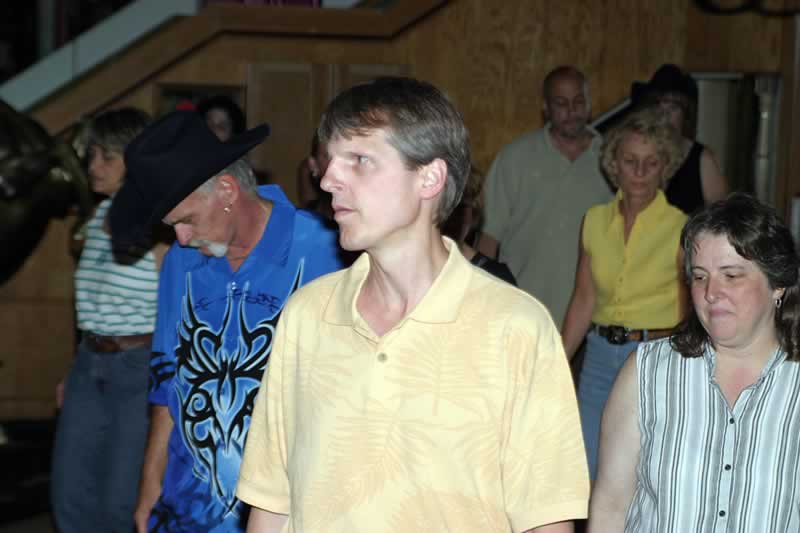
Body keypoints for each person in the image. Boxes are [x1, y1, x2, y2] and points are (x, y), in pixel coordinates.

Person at [236, 76, 588, 533]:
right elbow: (271, 500)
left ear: (429, 178)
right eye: (331, 161)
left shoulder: (515, 326)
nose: (329, 179)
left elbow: (546, 519)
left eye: (359, 160)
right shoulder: (307, 315)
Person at [107, 111, 344, 532]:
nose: (180, 239)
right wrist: (150, 486)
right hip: (186, 511)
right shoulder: (181, 263)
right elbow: (167, 383)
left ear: (227, 190)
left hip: (289, 510)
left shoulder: (329, 252)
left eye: (186, 220)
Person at [589, 193, 800, 532]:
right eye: (700, 277)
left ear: (778, 285)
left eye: (731, 275)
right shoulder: (647, 373)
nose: (711, 292)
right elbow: (611, 505)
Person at [51, 107, 168, 533]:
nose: (93, 166)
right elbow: (91, 303)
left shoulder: (160, 226)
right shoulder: (98, 216)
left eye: (107, 157)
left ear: (135, 161)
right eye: (92, 155)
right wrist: (73, 368)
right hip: (89, 362)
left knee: (119, 501)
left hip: (138, 366)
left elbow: (176, 311)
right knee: (69, 495)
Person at [561, 108, 688, 480]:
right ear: (613, 164)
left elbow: (689, 310)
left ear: (665, 167)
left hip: (655, 357)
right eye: (631, 161)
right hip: (599, 356)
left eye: (651, 163)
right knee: (588, 466)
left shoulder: (682, 227)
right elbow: (583, 298)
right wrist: (557, 360)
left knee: (645, 471)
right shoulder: (594, 220)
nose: (640, 171)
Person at [477, 65, 612, 325]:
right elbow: (488, 239)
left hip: (594, 320)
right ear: (545, 108)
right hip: (523, 312)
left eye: (578, 101)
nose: (571, 111)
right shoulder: (515, 158)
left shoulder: (613, 159)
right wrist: (483, 304)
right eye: (561, 103)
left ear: (589, 105)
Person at [630, 63, 728, 214]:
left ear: (685, 115)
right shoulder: (638, 153)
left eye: (673, 108)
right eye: (659, 108)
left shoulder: (703, 159)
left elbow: (723, 216)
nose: (665, 116)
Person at [441, 165, 516, 284]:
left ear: (473, 213)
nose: (451, 216)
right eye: (445, 205)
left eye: (460, 207)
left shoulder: (495, 279)